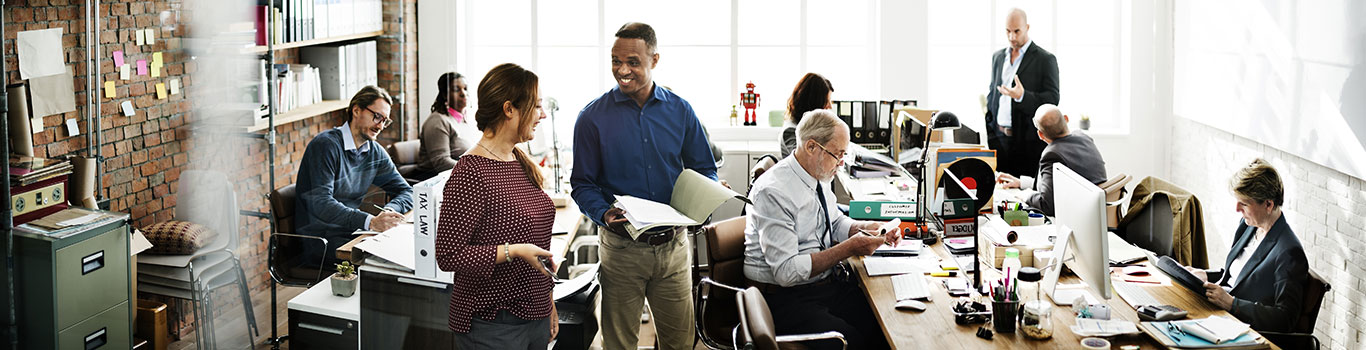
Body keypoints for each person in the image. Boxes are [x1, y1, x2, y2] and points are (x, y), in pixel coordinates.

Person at [570, 22, 718, 350]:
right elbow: (581, 183)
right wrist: (603, 213)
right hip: (622, 249)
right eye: (615, 61)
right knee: (619, 344)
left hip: (673, 249)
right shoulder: (592, 118)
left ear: (654, 60)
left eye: (633, 62)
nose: (622, 70)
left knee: (679, 343)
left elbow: (704, 168)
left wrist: (708, 191)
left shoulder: (680, 110)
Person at [744, 109, 895, 350]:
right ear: (812, 147)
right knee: (854, 343)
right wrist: (850, 247)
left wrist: (864, 228)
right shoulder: (774, 191)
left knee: (886, 324)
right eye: (838, 154)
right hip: (783, 298)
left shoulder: (818, 175)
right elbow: (786, 272)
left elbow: (834, 223)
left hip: (823, 286)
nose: (842, 162)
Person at [435, 63, 558, 349]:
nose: (542, 114)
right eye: (536, 106)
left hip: (534, 313)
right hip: (493, 323)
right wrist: (513, 251)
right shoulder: (470, 172)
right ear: (509, 109)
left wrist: (547, 301)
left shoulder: (518, 159)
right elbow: (449, 255)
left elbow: (537, 244)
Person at [294, 85, 412, 266]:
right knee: (387, 264)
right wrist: (371, 222)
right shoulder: (326, 145)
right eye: (377, 116)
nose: (380, 126)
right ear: (356, 110)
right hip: (319, 240)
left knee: (405, 252)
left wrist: (389, 211)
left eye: (385, 121)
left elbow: (406, 191)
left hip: (350, 233)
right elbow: (321, 203)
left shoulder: (374, 151)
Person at [1183, 159, 1307, 332]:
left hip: (1246, 330)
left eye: (1244, 203)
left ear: (1268, 204)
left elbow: (1285, 319)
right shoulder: (1248, 225)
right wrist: (1205, 275)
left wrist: (1232, 304)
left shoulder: (1289, 252)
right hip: (1224, 317)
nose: (1236, 208)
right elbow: (1243, 275)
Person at [985, 8, 1060, 178]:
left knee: (1023, 197)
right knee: (1000, 194)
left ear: (1027, 27)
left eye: (1017, 31)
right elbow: (992, 94)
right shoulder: (998, 57)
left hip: (1027, 144)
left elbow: (1053, 99)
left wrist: (1022, 96)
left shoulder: (1045, 59)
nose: (1012, 37)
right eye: (1008, 31)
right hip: (998, 140)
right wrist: (990, 127)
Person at [994, 104, 1106, 215]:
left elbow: (1047, 205)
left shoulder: (1052, 154)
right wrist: (1021, 183)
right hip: (1097, 211)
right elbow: (1061, 186)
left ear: (1040, 135)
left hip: (1077, 216)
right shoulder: (1084, 137)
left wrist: (1025, 195)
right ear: (1066, 119)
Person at [414, 72, 479, 180]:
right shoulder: (438, 121)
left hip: (460, 177)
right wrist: (475, 171)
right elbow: (442, 163)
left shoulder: (465, 120)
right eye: (456, 89)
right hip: (433, 181)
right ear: (445, 95)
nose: (463, 93)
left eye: (465, 88)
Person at [780, 73, 834, 159]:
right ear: (814, 102)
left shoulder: (809, 126)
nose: (830, 106)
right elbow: (808, 161)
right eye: (827, 101)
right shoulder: (791, 131)